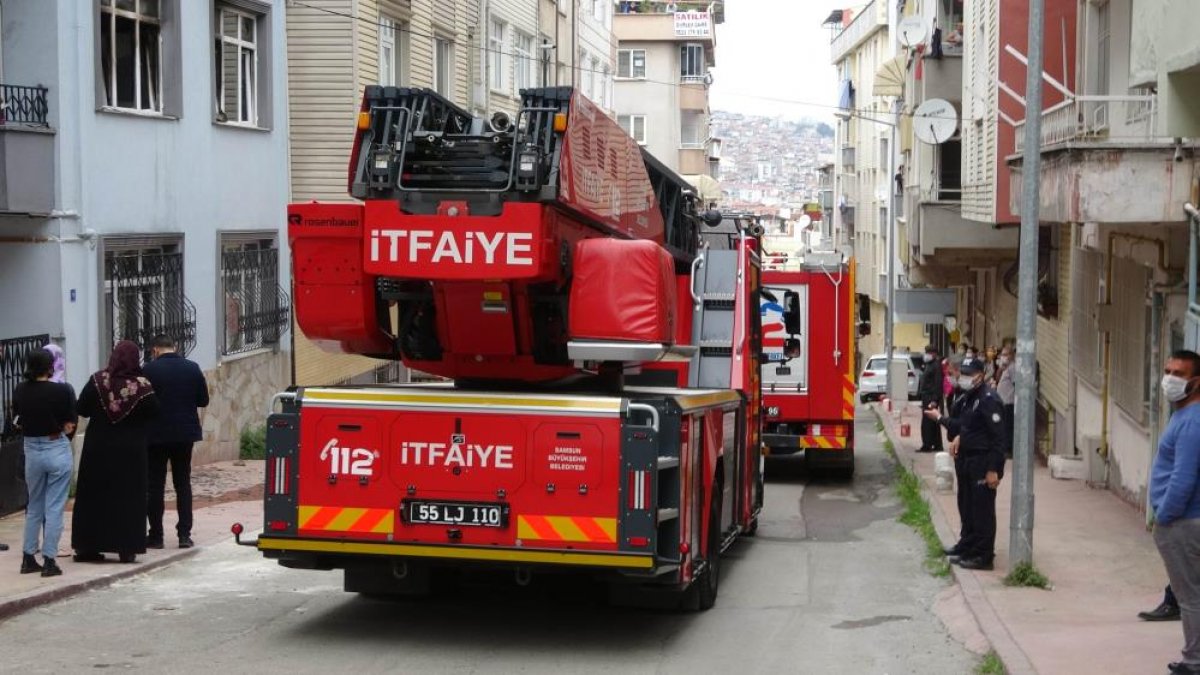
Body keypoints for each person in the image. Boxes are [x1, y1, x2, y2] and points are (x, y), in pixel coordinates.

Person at [72, 340, 160, 564]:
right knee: (128, 497)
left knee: (94, 495)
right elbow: (155, 412)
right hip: (130, 450)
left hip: (98, 448)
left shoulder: (97, 380)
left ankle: (88, 547)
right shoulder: (142, 385)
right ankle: (126, 547)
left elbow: (81, 408)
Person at [924, 357, 1006, 570]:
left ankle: (983, 555)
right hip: (967, 459)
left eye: (970, 374)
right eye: (964, 373)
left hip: (982, 461)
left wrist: (993, 470)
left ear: (980, 375)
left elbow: (998, 439)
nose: (965, 378)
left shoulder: (989, 399)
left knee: (982, 511)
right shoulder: (970, 397)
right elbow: (967, 426)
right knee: (967, 505)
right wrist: (960, 437)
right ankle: (968, 544)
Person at [1148, 350, 1200, 674]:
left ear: (1196, 382)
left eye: (1178, 374)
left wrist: (1164, 517)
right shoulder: (1182, 415)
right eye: (1167, 371)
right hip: (1182, 520)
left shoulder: (1192, 421)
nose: (1169, 379)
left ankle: (1193, 662)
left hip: (1182, 523)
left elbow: (1183, 479)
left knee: (1190, 596)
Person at [12, 350, 77, 577]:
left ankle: (28, 557)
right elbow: (70, 425)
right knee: (54, 506)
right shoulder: (62, 390)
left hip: (31, 448)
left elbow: (17, 421)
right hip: (55, 444)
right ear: (50, 367)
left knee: (35, 505)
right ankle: (49, 560)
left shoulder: (20, 389)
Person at [143, 334, 209, 549]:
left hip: (156, 435)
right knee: (183, 483)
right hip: (184, 434)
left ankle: (156, 536)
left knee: (155, 485)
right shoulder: (192, 367)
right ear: (176, 347)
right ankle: (184, 535)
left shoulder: (148, 370)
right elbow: (203, 400)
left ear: (154, 350)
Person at [917, 345, 944, 453]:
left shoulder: (936, 366)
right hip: (926, 396)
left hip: (930, 397)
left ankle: (927, 445)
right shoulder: (929, 364)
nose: (926, 354)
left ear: (933, 354)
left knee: (927, 422)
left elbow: (938, 384)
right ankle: (937, 444)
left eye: (928, 352)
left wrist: (934, 399)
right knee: (933, 421)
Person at [994, 345, 1016, 457]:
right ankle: (1004, 448)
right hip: (1003, 401)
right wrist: (1000, 368)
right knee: (1003, 426)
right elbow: (997, 379)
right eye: (1002, 354)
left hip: (1009, 401)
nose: (1003, 357)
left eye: (1005, 354)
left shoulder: (1013, 367)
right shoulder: (1006, 368)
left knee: (1008, 427)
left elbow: (1015, 384)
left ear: (1012, 356)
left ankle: (1008, 449)